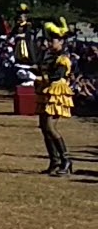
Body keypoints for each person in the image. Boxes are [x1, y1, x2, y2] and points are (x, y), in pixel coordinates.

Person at [36, 19, 75, 176]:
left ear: (61, 42)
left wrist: (40, 77)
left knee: (50, 127)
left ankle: (66, 160)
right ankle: (54, 161)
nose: (50, 43)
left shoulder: (63, 59)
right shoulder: (50, 56)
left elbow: (56, 76)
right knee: (44, 127)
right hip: (47, 92)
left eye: (53, 41)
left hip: (57, 94)